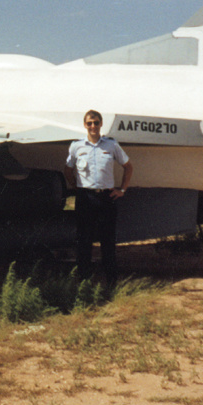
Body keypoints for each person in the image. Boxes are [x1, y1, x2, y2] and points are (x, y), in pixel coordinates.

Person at [64, 110, 133, 289]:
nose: (93, 126)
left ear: (101, 124)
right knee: (84, 241)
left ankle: (111, 283)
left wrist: (122, 190)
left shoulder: (111, 145)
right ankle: (84, 283)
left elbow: (128, 167)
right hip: (85, 198)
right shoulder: (76, 146)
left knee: (108, 242)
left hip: (106, 198)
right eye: (89, 123)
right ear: (85, 125)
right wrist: (77, 188)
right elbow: (68, 169)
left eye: (96, 122)